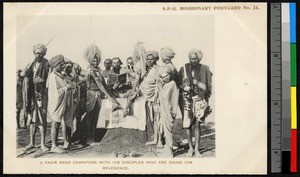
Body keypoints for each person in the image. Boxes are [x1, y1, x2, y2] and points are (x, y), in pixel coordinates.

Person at [179, 49, 212, 157]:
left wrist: (206, 102)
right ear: (189, 59)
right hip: (187, 99)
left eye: (196, 59)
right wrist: (184, 86)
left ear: (199, 59)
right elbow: (179, 83)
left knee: (197, 124)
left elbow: (207, 88)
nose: (194, 61)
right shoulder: (184, 69)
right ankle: (190, 148)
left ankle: (197, 149)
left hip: (199, 99)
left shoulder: (204, 69)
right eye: (192, 59)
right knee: (187, 125)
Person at [84, 44, 120, 146]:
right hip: (92, 94)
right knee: (90, 117)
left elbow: (103, 83)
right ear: (90, 61)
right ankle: (88, 139)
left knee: (96, 116)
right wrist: (108, 96)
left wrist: (111, 93)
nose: (95, 63)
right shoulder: (90, 70)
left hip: (98, 95)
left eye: (96, 61)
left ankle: (93, 138)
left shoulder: (99, 70)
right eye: (93, 61)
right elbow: (99, 84)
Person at [22, 44, 50, 152]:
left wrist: (41, 80)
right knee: (32, 119)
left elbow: (49, 79)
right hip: (31, 96)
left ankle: (42, 143)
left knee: (42, 119)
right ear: (34, 53)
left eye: (40, 53)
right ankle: (31, 143)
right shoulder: (31, 64)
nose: (38, 55)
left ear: (43, 53)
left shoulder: (47, 63)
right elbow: (26, 75)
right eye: (36, 53)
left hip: (42, 94)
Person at [48, 54, 76, 153]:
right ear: (55, 65)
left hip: (62, 102)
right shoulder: (53, 76)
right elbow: (56, 92)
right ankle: (54, 146)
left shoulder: (59, 75)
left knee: (59, 123)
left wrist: (69, 86)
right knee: (55, 123)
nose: (62, 66)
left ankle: (61, 143)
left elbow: (62, 86)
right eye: (61, 64)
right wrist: (67, 88)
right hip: (56, 103)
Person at [156, 66, 179, 157]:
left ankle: (170, 151)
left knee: (168, 129)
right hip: (163, 110)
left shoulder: (172, 84)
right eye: (163, 76)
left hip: (169, 110)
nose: (165, 78)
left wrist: (160, 88)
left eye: (167, 75)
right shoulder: (164, 84)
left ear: (170, 75)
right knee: (165, 129)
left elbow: (166, 98)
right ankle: (167, 148)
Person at [140, 50, 162, 147]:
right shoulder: (147, 69)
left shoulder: (158, 69)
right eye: (147, 59)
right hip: (149, 98)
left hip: (157, 98)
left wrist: (157, 97)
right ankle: (155, 139)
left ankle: (160, 141)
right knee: (154, 120)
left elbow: (159, 84)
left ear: (156, 59)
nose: (149, 61)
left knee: (159, 119)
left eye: (151, 59)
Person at [61, 59, 79, 149]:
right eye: (67, 67)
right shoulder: (61, 76)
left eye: (70, 67)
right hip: (64, 100)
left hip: (71, 100)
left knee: (69, 120)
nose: (69, 69)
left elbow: (75, 87)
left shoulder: (72, 76)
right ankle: (65, 141)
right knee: (64, 121)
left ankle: (69, 139)